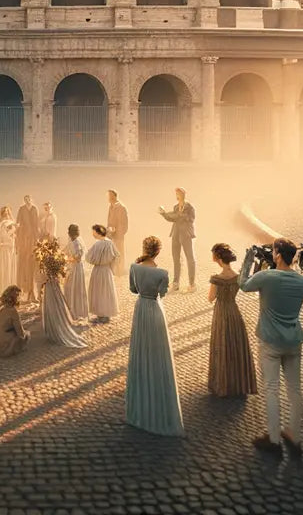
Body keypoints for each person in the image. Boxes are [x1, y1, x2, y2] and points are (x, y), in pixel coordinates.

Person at [239, 238, 303, 457]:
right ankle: (295, 436)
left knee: (271, 389)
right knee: (295, 390)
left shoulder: (266, 277)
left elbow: (244, 284)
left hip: (270, 341)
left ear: (278, 254)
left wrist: (249, 259)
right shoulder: (302, 282)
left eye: (273, 251)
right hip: (294, 340)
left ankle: (273, 438)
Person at [126, 236, 184, 437]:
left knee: (140, 350)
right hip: (155, 310)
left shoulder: (135, 267)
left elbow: (133, 289)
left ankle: (139, 406)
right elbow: (163, 293)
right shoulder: (162, 273)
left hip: (141, 308)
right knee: (158, 353)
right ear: (158, 252)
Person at [207, 243, 257, 398]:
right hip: (234, 311)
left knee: (221, 344)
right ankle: (238, 382)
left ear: (218, 258)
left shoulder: (216, 278)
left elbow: (211, 298)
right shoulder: (237, 276)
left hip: (221, 312)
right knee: (235, 344)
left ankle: (222, 384)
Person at [38, 238, 86, 348]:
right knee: (58, 305)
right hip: (55, 284)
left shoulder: (45, 259)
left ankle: (52, 330)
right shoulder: (57, 259)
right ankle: (58, 326)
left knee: (51, 306)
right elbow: (62, 271)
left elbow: (42, 275)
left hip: (49, 285)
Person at [158, 187, 196, 292]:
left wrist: (180, 215)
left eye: (178, 194)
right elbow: (172, 218)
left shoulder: (189, 207)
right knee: (176, 259)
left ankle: (192, 284)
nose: (177, 196)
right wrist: (164, 214)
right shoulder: (175, 207)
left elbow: (191, 218)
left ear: (183, 195)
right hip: (175, 234)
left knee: (190, 259)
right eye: (176, 194)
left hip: (186, 235)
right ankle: (176, 282)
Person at [85, 224, 119, 323]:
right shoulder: (110, 243)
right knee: (106, 291)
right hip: (107, 270)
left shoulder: (97, 244)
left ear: (98, 232)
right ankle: (105, 314)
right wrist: (111, 266)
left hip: (98, 270)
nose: (92, 234)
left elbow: (89, 257)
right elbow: (116, 256)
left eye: (94, 231)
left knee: (99, 291)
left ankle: (101, 314)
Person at [0, 285, 31, 358]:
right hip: (4, 347)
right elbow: (20, 333)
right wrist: (26, 334)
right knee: (27, 335)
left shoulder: (0, 308)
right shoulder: (12, 311)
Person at [15, 195, 39, 302]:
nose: (27, 200)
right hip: (24, 237)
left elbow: (36, 223)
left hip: (33, 238)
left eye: (29, 199)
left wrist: (36, 239)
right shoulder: (21, 209)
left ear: (31, 199)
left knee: (32, 263)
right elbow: (18, 222)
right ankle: (24, 292)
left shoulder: (34, 209)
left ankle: (32, 293)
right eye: (25, 199)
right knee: (24, 264)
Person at [64, 224, 88, 322]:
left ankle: (77, 311)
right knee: (69, 287)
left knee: (75, 288)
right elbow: (66, 250)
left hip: (76, 268)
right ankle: (71, 308)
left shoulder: (77, 243)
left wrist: (68, 259)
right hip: (73, 267)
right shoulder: (71, 241)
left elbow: (78, 257)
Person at [0, 205, 17, 296]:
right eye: (4, 212)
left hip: (9, 248)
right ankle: (1, 293)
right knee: (2, 270)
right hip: (2, 249)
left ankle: (9, 293)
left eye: (8, 212)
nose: (6, 214)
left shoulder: (12, 223)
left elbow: (13, 237)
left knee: (9, 269)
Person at [107, 189, 130, 277]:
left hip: (118, 236)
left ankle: (119, 273)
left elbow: (124, 223)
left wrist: (118, 233)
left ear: (114, 196)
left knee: (119, 253)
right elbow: (109, 221)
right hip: (111, 235)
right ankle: (114, 271)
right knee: (112, 253)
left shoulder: (121, 207)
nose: (108, 198)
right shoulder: (111, 207)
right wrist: (108, 230)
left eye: (109, 196)